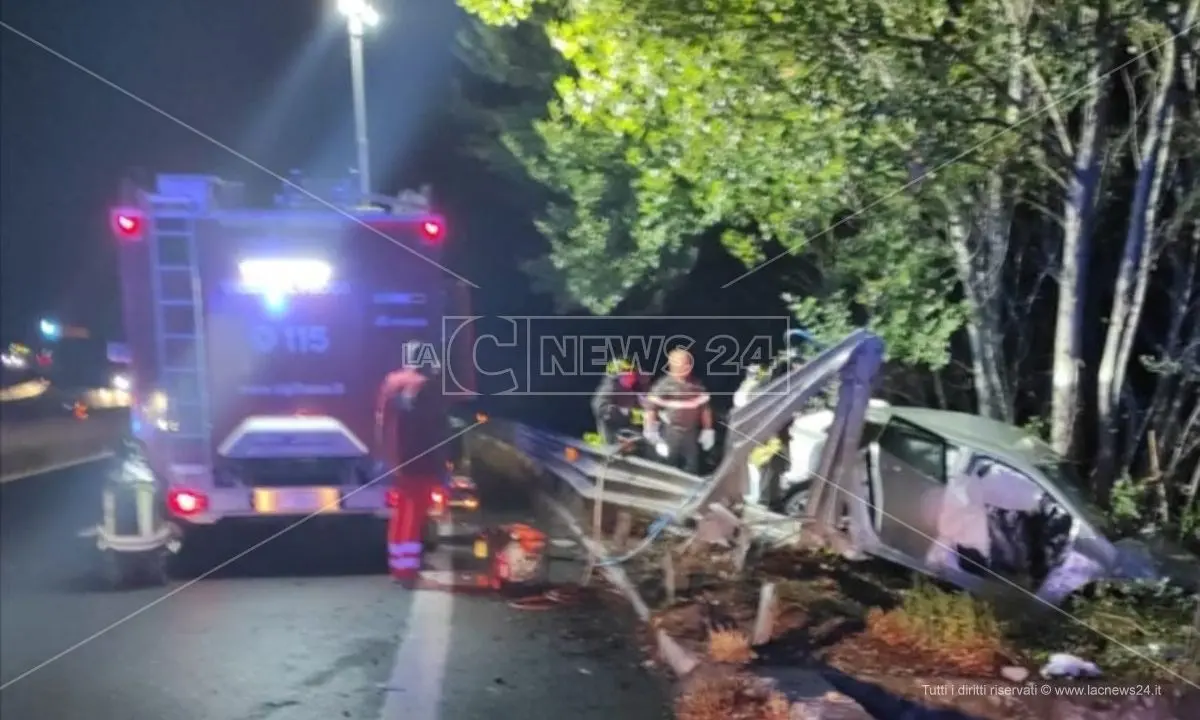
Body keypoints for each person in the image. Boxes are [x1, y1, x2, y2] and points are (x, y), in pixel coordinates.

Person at [376, 340, 449, 586]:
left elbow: (382, 421)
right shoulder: (424, 386)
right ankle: (407, 570)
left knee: (400, 513)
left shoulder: (391, 382)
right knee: (414, 514)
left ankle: (398, 566)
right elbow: (432, 428)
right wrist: (442, 465)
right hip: (420, 460)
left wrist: (384, 456)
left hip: (395, 459)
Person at [644, 347, 715, 473]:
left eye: (688, 363)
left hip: (690, 434)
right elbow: (651, 410)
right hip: (670, 433)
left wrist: (707, 430)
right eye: (683, 364)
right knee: (666, 467)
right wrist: (652, 434)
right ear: (672, 366)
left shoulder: (697, 385)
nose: (686, 367)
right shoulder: (663, 386)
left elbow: (705, 409)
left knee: (692, 467)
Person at [591, 358, 649, 445]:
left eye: (633, 371)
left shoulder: (635, 389)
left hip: (635, 436)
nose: (632, 375)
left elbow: (645, 406)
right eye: (627, 371)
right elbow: (600, 408)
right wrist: (629, 413)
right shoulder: (609, 389)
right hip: (614, 437)